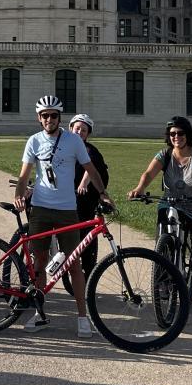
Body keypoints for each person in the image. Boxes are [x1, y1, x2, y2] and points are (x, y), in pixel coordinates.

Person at [14, 95, 109, 338]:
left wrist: (103, 193)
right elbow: (24, 175)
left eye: (53, 115)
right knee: (39, 263)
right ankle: (40, 313)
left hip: (67, 209)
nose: (49, 119)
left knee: (74, 264)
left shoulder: (73, 141)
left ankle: (82, 317)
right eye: (45, 115)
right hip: (40, 208)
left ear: (60, 117)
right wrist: (19, 195)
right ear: (39, 118)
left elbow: (91, 170)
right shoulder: (34, 141)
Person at [128, 115, 192, 316]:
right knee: (163, 240)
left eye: (180, 133)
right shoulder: (165, 154)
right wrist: (139, 188)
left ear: (188, 135)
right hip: (171, 202)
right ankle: (163, 281)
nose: (176, 137)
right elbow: (149, 173)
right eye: (172, 134)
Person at [69, 114, 109, 279]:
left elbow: (90, 168)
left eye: (84, 130)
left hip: (87, 195)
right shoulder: (65, 147)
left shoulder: (89, 150)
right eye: (77, 128)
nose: (79, 132)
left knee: (85, 230)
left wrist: (83, 184)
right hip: (71, 194)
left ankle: (88, 267)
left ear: (88, 134)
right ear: (71, 128)